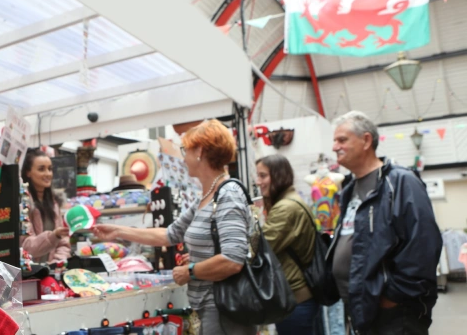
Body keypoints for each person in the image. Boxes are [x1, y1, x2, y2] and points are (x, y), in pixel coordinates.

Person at [93, 120, 255, 335]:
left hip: (226, 307)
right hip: (213, 305)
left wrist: (191, 271)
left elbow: (233, 260)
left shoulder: (228, 194)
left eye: (185, 150)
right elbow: (170, 234)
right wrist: (119, 231)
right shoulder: (206, 197)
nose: (183, 158)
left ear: (200, 151)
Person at [325, 111, 441, 334]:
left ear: (366, 140)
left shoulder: (400, 182)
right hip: (360, 308)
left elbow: (423, 246)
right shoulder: (349, 190)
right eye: (334, 140)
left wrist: (391, 297)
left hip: (393, 314)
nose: (334, 147)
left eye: (342, 140)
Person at [256, 155, 318, 335]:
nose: (258, 182)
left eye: (263, 176)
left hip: (296, 299)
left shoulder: (286, 208)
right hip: (297, 297)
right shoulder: (289, 202)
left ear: (279, 175)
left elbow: (260, 250)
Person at [20, 148, 71, 263]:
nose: (48, 174)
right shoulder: (23, 205)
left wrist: (55, 263)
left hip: (50, 274)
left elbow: (63, 243)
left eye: (50, 169)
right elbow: (27, 246)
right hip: (29, 273)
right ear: (28, 172)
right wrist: (54, 236)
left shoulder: (54, 204)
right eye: (41, 169)